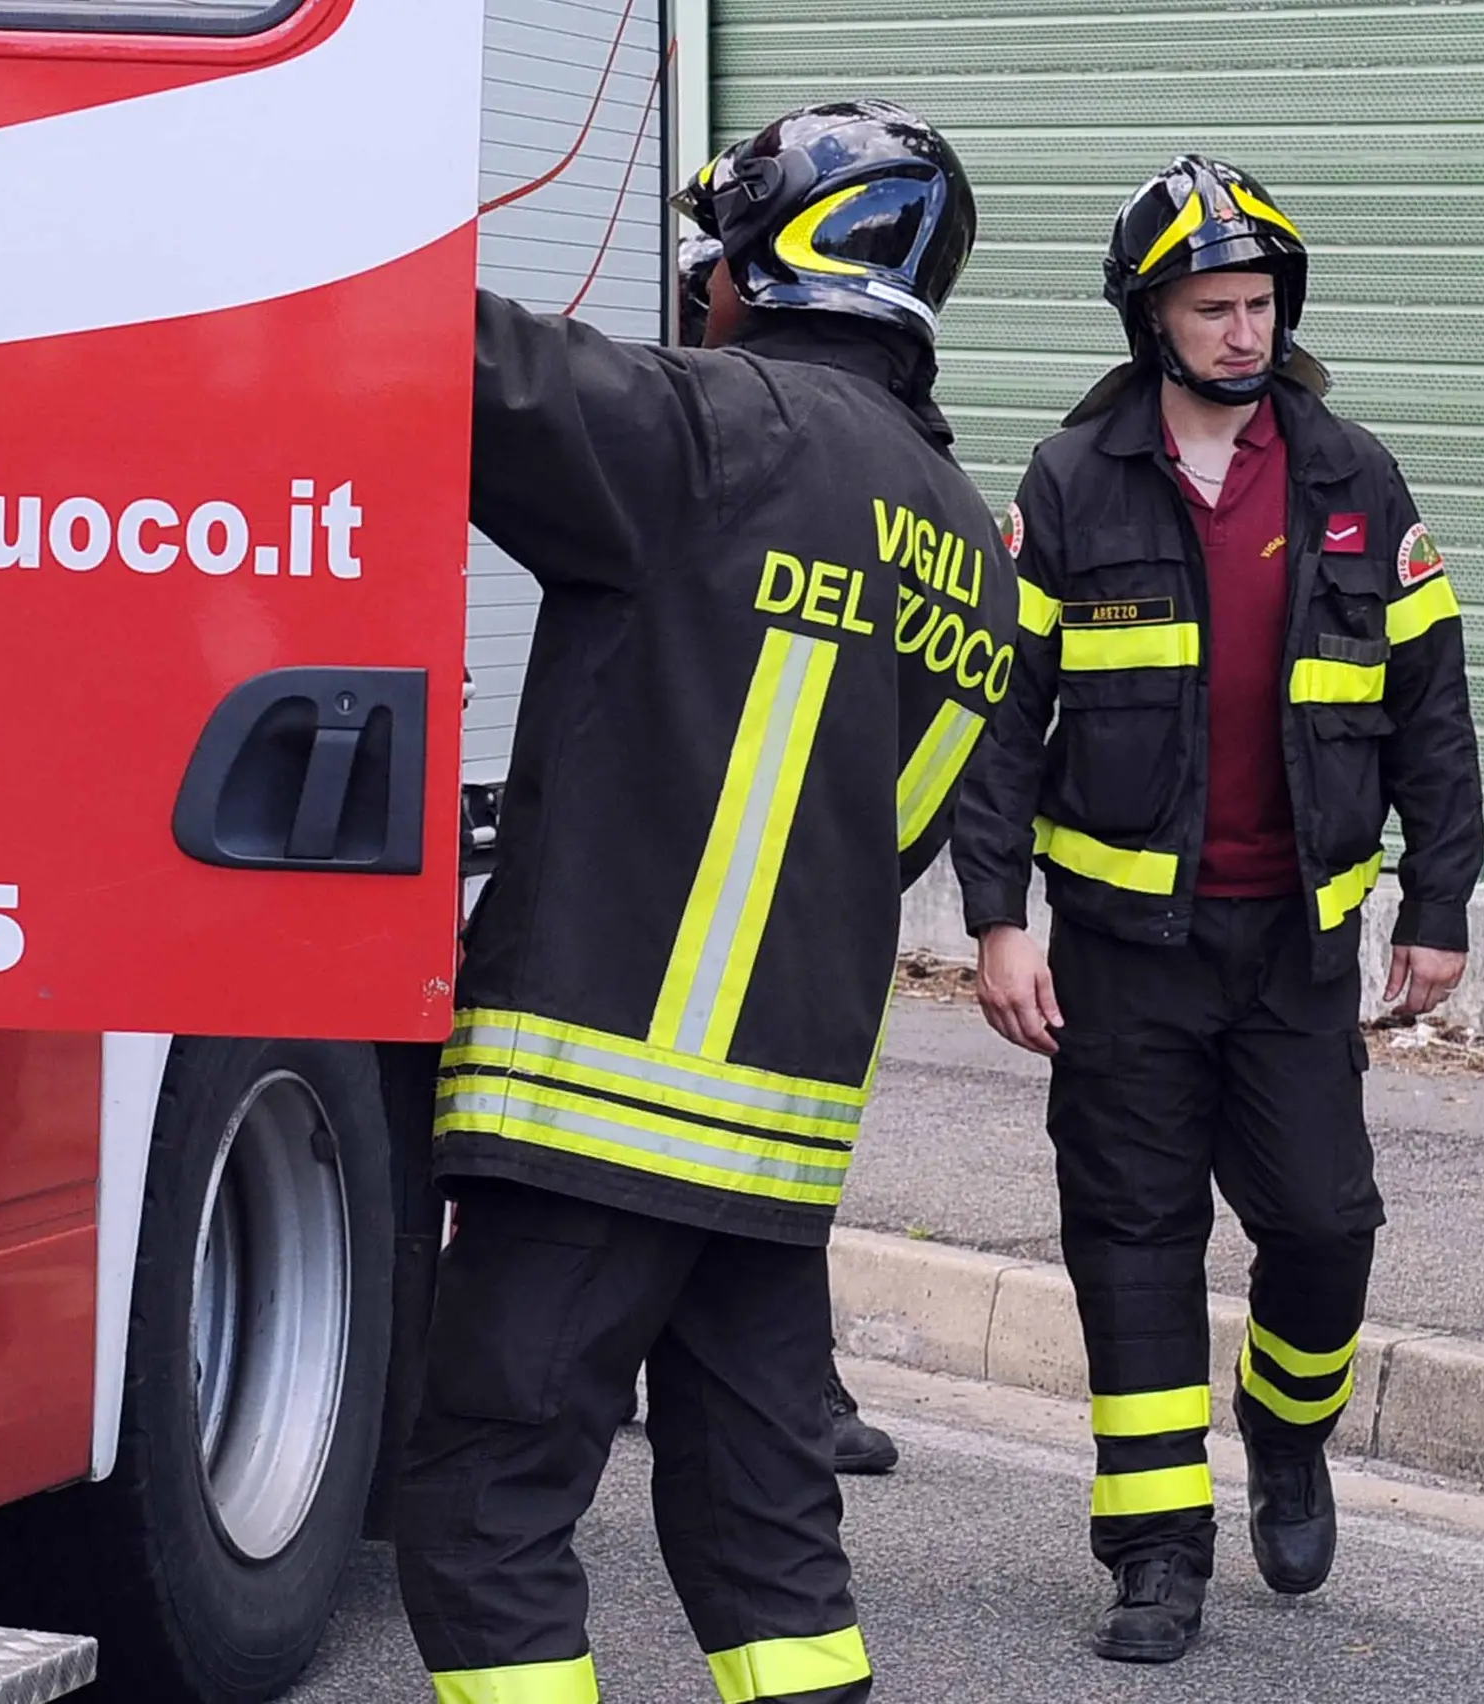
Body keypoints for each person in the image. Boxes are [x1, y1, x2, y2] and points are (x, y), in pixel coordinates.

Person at [396, 101, 1013, 1704]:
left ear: (789, 258)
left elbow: (455, 362)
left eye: (717, 259)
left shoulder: (716, 431)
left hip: (600, 1099)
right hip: (775, 1132)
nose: (702, 290)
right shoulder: (969, 551)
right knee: (766, 1540)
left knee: (485, 1505)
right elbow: (895, 837)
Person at [949, 154, 1484, 1664]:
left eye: (1259, 305)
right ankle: (1155, 1557)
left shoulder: (1353, 479)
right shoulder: (1069, 486)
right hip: (1123, 960)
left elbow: (1432, 708)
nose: (1243, 333)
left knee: (1324, 1226)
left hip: (1296, 953)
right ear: (1153, 320)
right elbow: (999, 715)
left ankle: (1290, 1427)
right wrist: (998, 919)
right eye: (1213, 307)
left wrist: (1437, 904)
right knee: (1131, 1246)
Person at [674, 227, 900, 1480]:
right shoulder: (695, 424)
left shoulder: (781, 440)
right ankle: (783, 1388)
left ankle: (792, 1382)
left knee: (755, 1171)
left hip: (763, 913)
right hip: (755, 914)